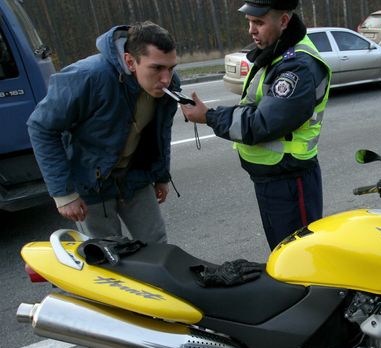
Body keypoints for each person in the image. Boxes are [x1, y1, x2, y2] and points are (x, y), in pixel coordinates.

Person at [182, 0, 332, 250]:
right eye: (250, 22)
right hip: (273, 178)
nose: (252, 30)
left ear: (283, 21)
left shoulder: (297, 66)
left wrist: (209, 116)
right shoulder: (276, 54)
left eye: (259, 22)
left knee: (300, 258)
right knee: (283, 253)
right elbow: (253, 107)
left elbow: (261, 123)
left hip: (290, 181)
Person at [28, 21, 181, 243]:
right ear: (130, 61)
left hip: (135, 177)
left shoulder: (168, 85)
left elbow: (161, 132)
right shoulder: (88, 76)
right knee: (106, 257)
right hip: (91, 182)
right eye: (156, 68)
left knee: (157, 247)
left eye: (171, 67)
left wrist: (161, 175)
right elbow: (41, 127)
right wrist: (63, 194)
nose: (166, 79)